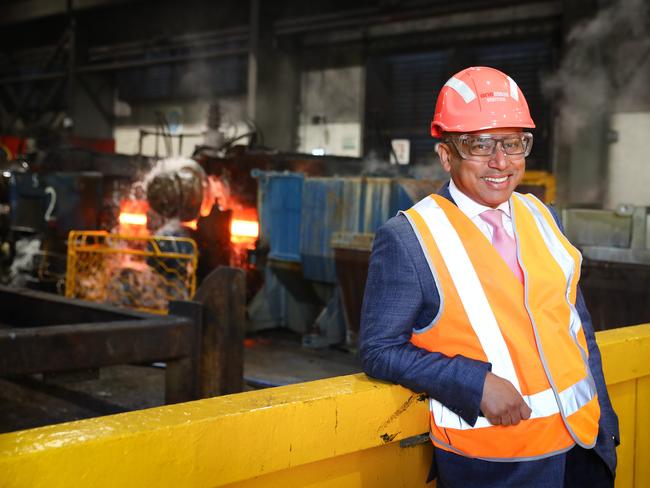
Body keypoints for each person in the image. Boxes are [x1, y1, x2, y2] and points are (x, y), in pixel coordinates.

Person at [359, 66, 619, 488]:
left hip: (584, 451)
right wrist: (473, 382)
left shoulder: (543, 217)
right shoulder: (409, 238)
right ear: (447, 155)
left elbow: (577, 328)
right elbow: (379, 349)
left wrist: (606, 428)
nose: (501, 162)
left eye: (514, 143)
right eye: (480, 145)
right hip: (497, 466)